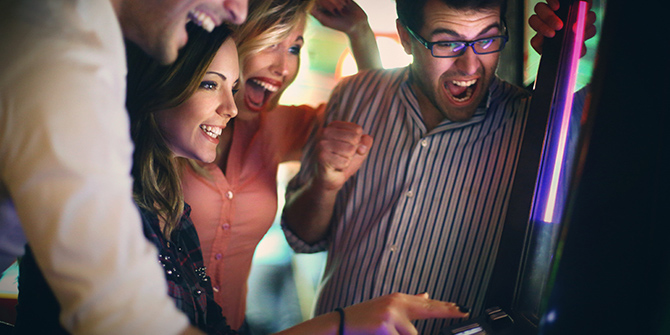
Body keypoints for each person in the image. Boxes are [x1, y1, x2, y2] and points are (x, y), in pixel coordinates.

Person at [281, 0, 594, 333]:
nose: (470, 65)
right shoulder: (355, 94)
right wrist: (324, 186)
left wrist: (575, 42)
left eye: (486, 40)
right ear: (405, 38)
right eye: (447, 43)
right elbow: (302, 237)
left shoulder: (535, 129)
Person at [0, 0, 247, 334]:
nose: (239, 10)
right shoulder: (56, 51)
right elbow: (124, 312)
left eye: (232, 88)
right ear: (162, 80)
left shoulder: (175, 213)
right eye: (209, 83)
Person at [179, 0, 381, 330]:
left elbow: (368, 120)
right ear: (232, 40)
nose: (284, 67)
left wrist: (361, 33)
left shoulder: (275, 126)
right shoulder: (169, 123)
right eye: (272, 43)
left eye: (295, 49)